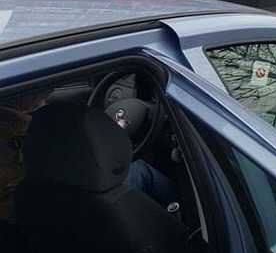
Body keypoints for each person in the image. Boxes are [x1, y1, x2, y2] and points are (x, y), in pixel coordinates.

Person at [0, 90, 178, 222]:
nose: (49, 92)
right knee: (140, 172)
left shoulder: (13, 121)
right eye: (43, 90)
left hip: (30, 209)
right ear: (23, 92)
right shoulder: (16, 129)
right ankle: (185, 217)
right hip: (45, 211)